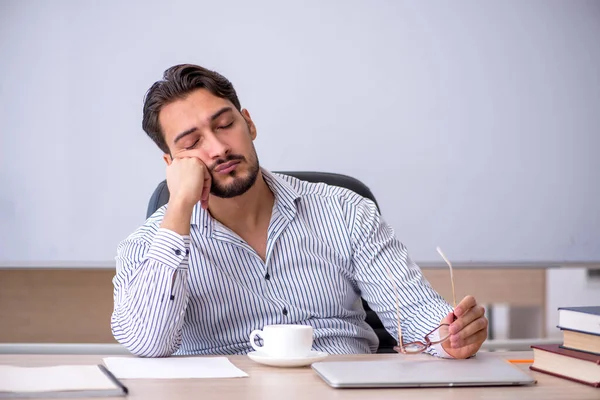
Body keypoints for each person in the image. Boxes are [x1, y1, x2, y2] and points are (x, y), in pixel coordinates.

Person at [111, 64, 488, 358]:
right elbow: (149, 343)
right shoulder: (145, 247)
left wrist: (450, 337)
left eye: (225, 125)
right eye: (192, 143)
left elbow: (420, 320)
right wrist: (178, 208)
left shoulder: (344, 211)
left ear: (249, 123)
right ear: (171, 162)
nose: (217, 148)